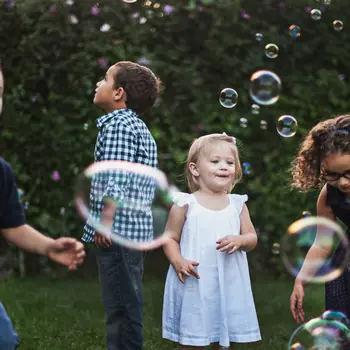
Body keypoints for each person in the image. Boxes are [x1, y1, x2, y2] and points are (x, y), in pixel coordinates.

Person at [0, 61, 85, 349]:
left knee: (5, 341)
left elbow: (12, 225)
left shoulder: (1, 171)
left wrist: (49, 246)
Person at [81, 61, 160, 350]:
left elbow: (115, 177)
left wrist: (105, 220)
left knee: (121, 307)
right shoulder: (136, 126)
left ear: (119, 93)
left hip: (118, 232)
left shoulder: (118, 125)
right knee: (127, 300)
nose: (97, 84)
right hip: (131, 232)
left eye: (104, 79)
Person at [162, 133, 261, 350]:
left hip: (227, 281)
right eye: (215, 161)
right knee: (192, 338)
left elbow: (252, 238)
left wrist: (240, 240)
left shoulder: (237, 204)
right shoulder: (185, 203)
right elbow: (170, 237)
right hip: (194, 281)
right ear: (195, 169)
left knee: (223, 336)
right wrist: (178, 260)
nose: (224, 166)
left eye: (229, 162)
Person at [290, 115, 350, 325]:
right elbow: (322, 243)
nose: (342, 182)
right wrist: (301, 280)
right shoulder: (328, 195)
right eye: (332, 175)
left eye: (349, 173)